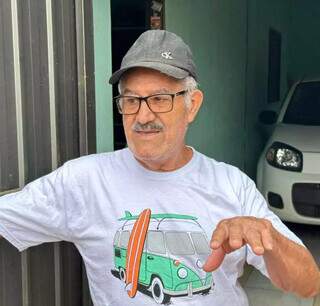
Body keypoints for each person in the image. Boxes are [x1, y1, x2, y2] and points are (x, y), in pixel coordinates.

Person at [0, 30, 319, 306]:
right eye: (131, 100)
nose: (142, 116)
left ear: (191, 105)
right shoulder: (84, 181)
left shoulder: (231, 185)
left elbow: (307, 283)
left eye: (160, 98)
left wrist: (270, 240)